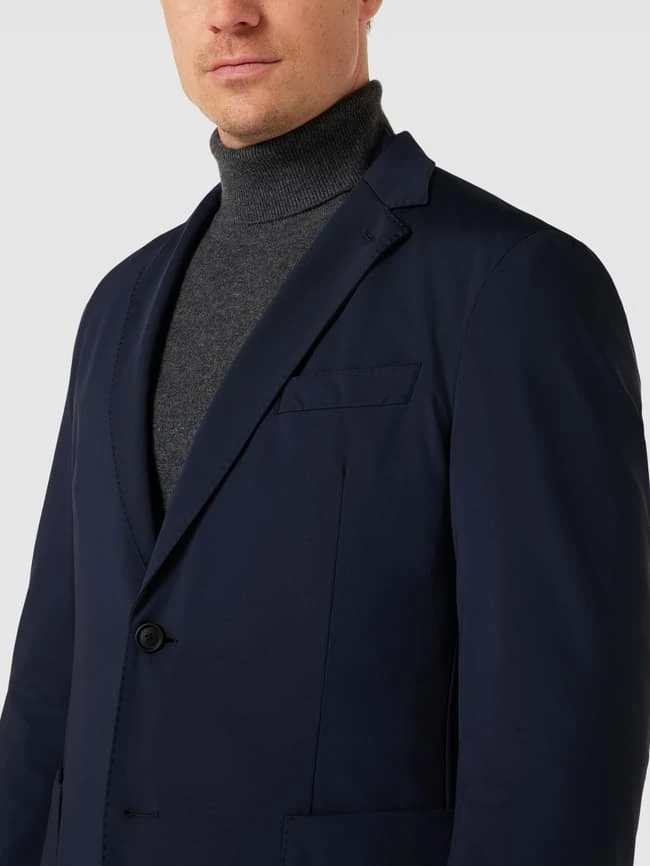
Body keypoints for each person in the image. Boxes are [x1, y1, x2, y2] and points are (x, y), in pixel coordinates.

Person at [1, 2, 649, 865]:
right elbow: (50, 684)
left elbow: (559, 746)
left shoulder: (513, 286)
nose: (229, 15)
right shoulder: (118, 305)